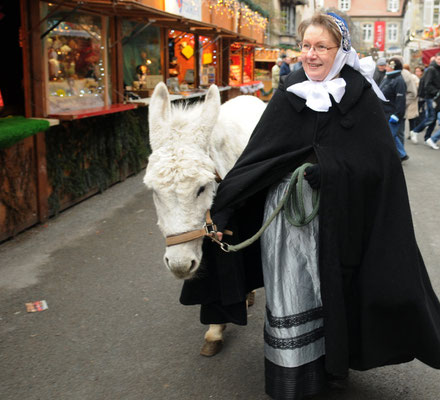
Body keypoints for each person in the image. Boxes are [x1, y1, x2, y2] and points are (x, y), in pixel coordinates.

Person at [180, 11, 440, 400]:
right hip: (285, 221)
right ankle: (293, 376)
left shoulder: (360, 95)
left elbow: (380, 166)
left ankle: (335, 366)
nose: (312, 55)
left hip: (339, 222)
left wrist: (331, 172)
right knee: (291, 293)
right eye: (306, 46)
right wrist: (226, 205)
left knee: (332, 292)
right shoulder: (290, 89)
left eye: (322, 47)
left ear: (341, 50)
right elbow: (260, 155)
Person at [379, 58, 409, 161]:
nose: (385, 67)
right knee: (391, 136)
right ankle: (401, 154)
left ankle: (398, 155)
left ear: (392, 67)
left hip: (391, 113)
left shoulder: (398, 80)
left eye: (387, 65)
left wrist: (397, 114)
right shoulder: (387, 77)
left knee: (390, 136)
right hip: (384, 112)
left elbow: (401, 100)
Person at [410, 53, 440, 144]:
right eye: (439, 59)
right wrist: (437, 92)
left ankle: (428, 138)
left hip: (436, 98)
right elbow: (427, 85)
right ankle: (415, 131)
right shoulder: (431, 69)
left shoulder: (437, 69)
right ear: (435, 59)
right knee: (431, 118)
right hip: (431, 97)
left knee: (433, 119)